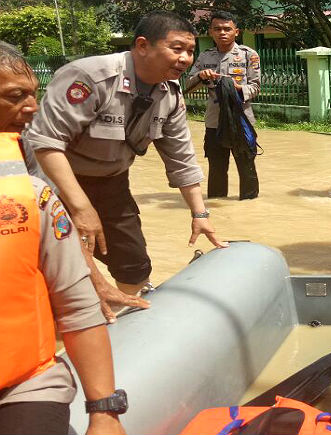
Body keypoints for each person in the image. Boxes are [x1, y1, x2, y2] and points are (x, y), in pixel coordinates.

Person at [23, 11, 227, 322]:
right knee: (66, 269)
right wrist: (80, 208)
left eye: (190, 51)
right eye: (177, 49)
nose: (186, 59)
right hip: (53, 182)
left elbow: (181, 158)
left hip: (112, 181)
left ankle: (120, 327)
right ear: (142, 45)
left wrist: (200, 214)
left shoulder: (169, 94)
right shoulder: (90, 77)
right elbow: (46, 143)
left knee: (134, 266)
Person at [0, 44, 125, 435]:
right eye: (15, 96)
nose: (33, 107)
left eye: (32, 94)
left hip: (23, 383)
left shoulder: (29, 192)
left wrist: (104, 411)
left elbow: (74, 299)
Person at [187, 11, 261, 200]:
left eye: (227, 29)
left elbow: (255, 87)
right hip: (214, 122)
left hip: (241, 120)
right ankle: (218, 208)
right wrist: (200, 77)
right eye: (217, 29)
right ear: (211, 32)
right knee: (217, 168)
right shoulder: (205, 57)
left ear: (236, 31)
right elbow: (188, 86)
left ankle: (249, 205)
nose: (222, 33)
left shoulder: (248, 55)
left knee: (247, 167)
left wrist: (237, 88)